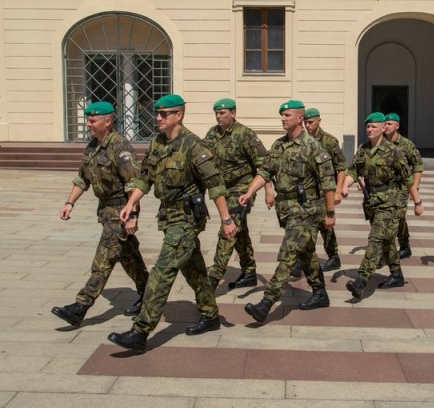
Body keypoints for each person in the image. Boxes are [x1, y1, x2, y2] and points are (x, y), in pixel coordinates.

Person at [107, 94, 236, 352]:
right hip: (168, 217)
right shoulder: (157, 143)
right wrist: (131, 203)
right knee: (195, 270)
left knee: (162, 272)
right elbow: (145, 178)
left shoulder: (194, 146)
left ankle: (140, 331)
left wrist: (227, 220)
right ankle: (210, 315)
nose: (158, 118)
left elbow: (216, 185)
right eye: (157, 114)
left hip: (187, 219)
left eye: (164, 114)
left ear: (179, 115)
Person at [52, 101, 149, 327]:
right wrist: (69, 203)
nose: (88, 124)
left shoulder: (120, 147)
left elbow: (134, 184)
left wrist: (133, 215)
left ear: (108, 121)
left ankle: (81, 306)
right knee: (128, 256)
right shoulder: (92, 147)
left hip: (120, 211)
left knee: (103, 258)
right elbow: (82, 179)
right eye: (88, 120)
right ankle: (149, 294)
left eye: (92, 120)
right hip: (105, 210)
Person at [239, 100, 337, 324]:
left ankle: (266, 303)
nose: (282, 118)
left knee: (288, 254)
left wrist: (330, 212)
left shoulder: (313, 146)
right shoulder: (278, 145)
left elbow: (328, 182)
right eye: (281, 115)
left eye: (287, 115)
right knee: (307, 253)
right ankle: (320, 293)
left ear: (300, 118)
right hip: (287, 211)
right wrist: (250, 192)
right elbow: (265, 171)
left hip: (307, 210)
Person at [341, 112, 420, 298]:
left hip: (392, 201)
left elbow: (408, 178)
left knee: (376, 238)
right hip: (373, 201)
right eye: (367, 126)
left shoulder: (394, 151)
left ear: (383, 128)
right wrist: (345, 184)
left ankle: (361, 281)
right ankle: (397, 275)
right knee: (386, 241)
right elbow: (354, 169)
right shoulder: (363, 149)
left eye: (373, 127)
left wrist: (417, 201)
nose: (369, 129)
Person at [204, 98, 273, 290]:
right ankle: (249, 271)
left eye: (222, 113)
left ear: (233, 113)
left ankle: (213, 278)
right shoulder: (212, 133)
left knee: (228, 229)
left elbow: (263, 164)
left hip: (242, 190)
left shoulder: (245, 135)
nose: (219, 116)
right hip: (222, 191)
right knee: (240, 231)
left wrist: (268, 190)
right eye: (216, 113)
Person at [303, 108, 346, 271]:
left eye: (311, 122)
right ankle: (306, 257)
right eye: (305, 122)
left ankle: (333, 256)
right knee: (309, 225)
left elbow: (341, 167)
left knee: (324, 225)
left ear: (319, 121)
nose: (308, 125)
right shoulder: (303, 140)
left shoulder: (329, 141)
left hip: (325, 190)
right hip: (308, 191)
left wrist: (338, 190)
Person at [383, 113, 424, 259]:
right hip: (386, 188)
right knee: (396, 217)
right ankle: (403, 245)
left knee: (396, 215)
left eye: (389, 124)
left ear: (397, 126)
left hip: (402, 187)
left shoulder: (406, 145)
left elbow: (418, 166)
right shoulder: (381, 143)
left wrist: (415, 188)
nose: (386, 126)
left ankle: (396, 247)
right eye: (385, 124)